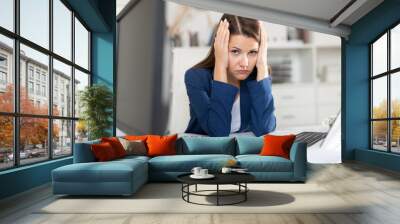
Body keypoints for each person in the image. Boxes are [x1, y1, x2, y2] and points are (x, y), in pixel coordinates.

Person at [184, 14, 276, 137]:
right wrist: (220, 67)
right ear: (219, 47)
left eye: (253, 52)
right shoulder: (196, 77)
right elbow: (218, 132)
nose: (245, 63)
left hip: (244, 152)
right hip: (206, 151)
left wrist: (263, 64)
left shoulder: (259, 76)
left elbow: (264, 128)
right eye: (235, 51)